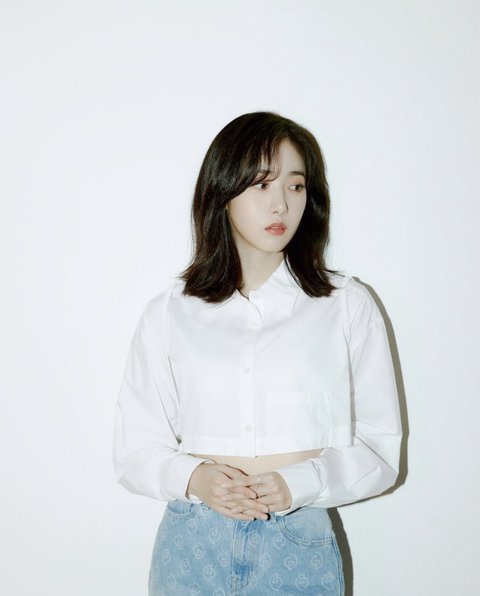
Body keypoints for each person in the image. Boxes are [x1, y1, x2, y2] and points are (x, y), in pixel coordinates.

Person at [113, 111, 402, 595]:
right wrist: (196, 478)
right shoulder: (171, 312)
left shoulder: (345, 305)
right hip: (193, 541)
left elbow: (379, 449)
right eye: (262, 185)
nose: (281, 204)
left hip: (297, 538)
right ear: (222, 193)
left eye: (295, 186)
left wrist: (298, 483)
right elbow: (134, 449)